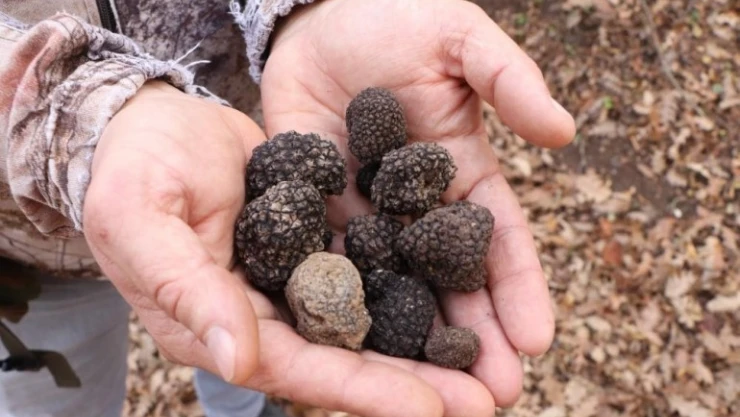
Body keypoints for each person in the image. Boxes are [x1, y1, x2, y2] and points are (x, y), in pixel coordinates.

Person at [0, 0, 576, 416]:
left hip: (230, 157)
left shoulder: (333, 213)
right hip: (26, 257)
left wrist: (310, 7)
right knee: (56, 397)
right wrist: (77, 115)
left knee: (237, 335)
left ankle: (245, 410)